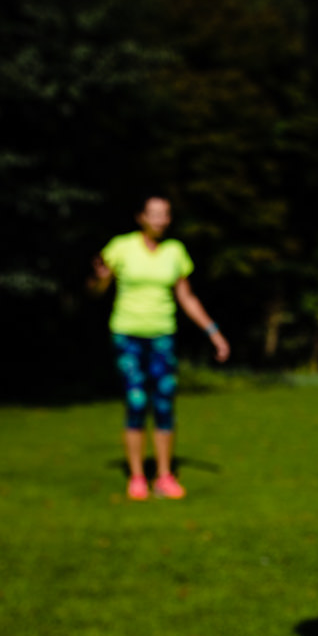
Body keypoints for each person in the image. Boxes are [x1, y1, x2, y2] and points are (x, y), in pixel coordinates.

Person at [90, 195, 230, 501]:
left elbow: (187, 298)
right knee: (137, 401)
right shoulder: (120, 247)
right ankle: (138, 476)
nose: (160, 220)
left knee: (164, 404)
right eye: (154, 214)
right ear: (141, 217)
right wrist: (99, 279)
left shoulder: (175, 252)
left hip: (162, 336)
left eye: (165, 215)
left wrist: (213, 333)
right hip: (127, 335)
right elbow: (97, 288)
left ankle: (164, 476)